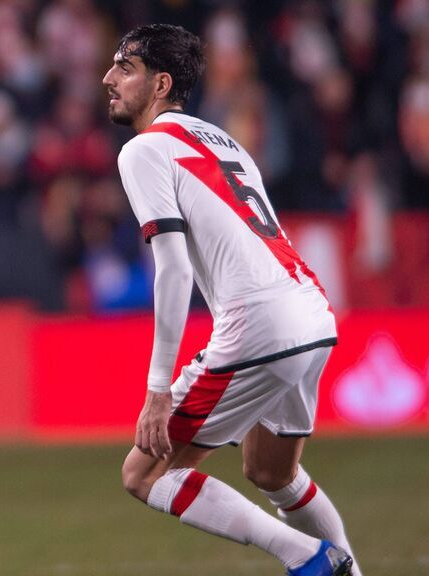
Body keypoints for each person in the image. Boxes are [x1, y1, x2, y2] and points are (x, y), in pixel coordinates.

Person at [103, 24, 359, 576]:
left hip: (259, 323)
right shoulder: (222, 139)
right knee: (272, 472)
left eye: (125, 68)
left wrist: (157, 391)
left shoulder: (144, 150)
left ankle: (309, 559)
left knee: (144, 475)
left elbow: (173, 269)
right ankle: (348, 570)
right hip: (313, 311)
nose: (109, 78)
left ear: (161, 83)